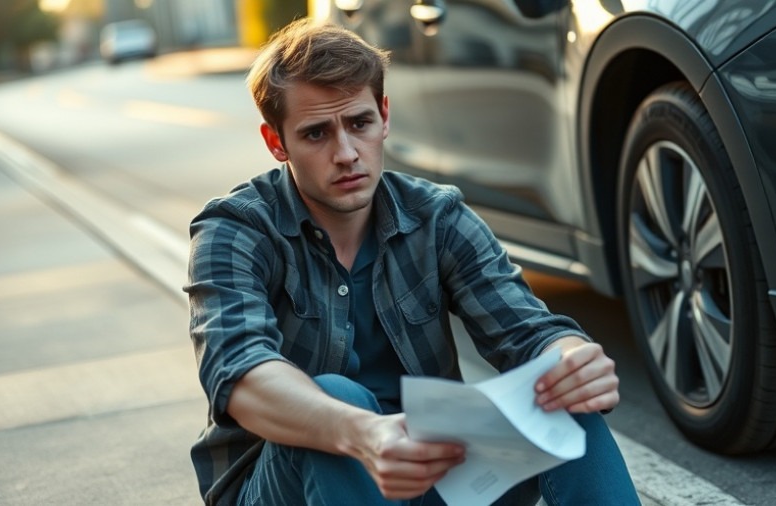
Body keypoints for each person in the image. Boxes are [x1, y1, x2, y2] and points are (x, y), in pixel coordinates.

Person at [184, 17, 640, 506]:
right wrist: (363, 433)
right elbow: (239, 371)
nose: (346, 153)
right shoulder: (234, 230)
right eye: (316, 134)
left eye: (359, 123)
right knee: (337, 396)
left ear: (383, 116)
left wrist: (572, 359)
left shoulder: (436, 216)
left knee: (562, 391)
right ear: (277, 142)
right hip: (288, 485)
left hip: (431, 468)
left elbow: (530, 332)